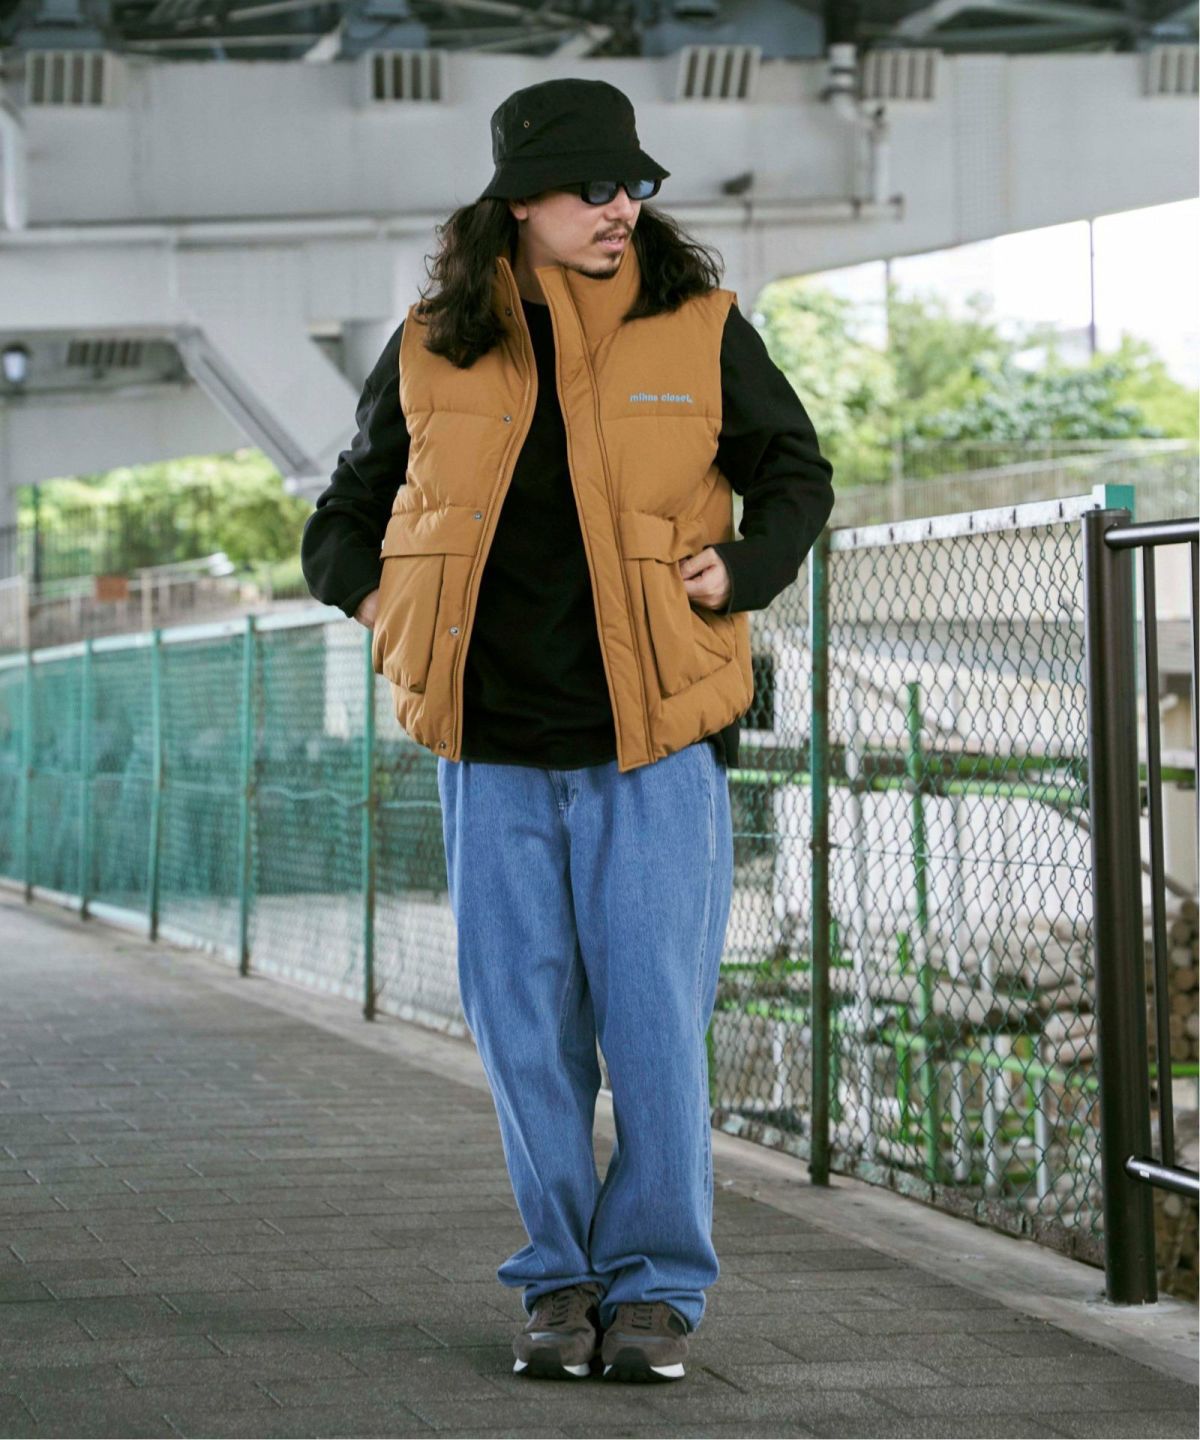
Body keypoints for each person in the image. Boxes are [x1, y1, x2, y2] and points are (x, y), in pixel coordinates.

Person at [301, 76, 834, 1385]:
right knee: (524, 1034)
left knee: (652, 1028)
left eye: (634, 184)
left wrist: (746, 567)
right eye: (594, 187)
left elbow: (796, 472)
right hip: (489, 751)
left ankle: (655, 1290)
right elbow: (343, 515)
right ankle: (557, 1281)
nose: (622, 207)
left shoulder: (699, 327)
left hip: (652, 744)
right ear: (520, 203)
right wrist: (381, 603)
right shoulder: (432, 344)